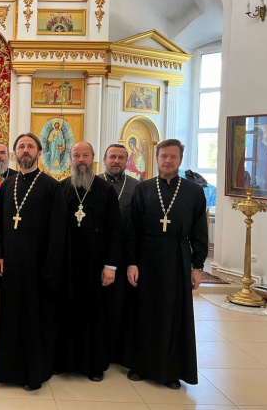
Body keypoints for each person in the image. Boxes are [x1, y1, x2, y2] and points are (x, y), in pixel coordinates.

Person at [122, 139, 208, 390]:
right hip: (146, 256)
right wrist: (131, 262)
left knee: (173, 313)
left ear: (180, 159)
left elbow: (199, 231)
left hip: (177, 256)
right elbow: (132, 229)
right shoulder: (144, 188)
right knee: (144, 311)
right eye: (163, 157)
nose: (168, 161)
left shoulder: (194, 191)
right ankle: (140, 365)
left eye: (173, 157)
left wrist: (197, 266)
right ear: (157, 158)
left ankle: (171, 371)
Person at [0, 133, 67, 391]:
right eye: (21, 146)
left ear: (39, 152)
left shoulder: (51, 187)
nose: (25, 150)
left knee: (35, 319)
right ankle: (8, 371)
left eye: (30, 146)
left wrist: (50, 268)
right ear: (15, 153)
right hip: (12, 263)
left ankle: (34, 373)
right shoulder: (7, 185)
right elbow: (0, 224)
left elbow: (58, 232)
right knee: (11, 317)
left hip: (37, 267)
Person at [54, 142, 121, 382]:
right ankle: (64, 361)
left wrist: (110, 266)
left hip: (96, 261)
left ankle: (94, 365)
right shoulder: (62, 187)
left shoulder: (105, 189)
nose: (81, 159)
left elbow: (115, 229)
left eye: (85, 155)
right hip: (68, 260)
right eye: (76, 156)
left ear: (93, 158)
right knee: (66, 310)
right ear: (70, 159)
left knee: (95, 313)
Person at [102, 143, 139, 361]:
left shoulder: (136, 187)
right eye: (112, 157)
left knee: (121, 304)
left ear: (127, 161)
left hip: (125, 254)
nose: (116, 161)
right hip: (99, 253)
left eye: (121, 158)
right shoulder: (95, 183)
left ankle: (119, 351)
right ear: (104, 160)